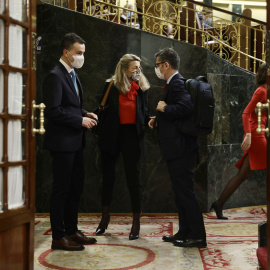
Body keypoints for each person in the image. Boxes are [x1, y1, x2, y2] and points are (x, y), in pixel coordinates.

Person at [43, 33, 98, 251]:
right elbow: (53, 111)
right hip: (62, 143)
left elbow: (70, 105)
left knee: (75, 188)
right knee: (61, 190)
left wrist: (86, 113)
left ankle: (72, 230)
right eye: (78, 53)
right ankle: (58, 236)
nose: (81, 57)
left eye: (83, 53)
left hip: (75, 142)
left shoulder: (72, 73)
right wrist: (79, 120)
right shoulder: (55, 75)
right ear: (66, 52)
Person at [148, 48, 207, 248]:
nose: (156, 69)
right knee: (181, 192)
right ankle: (185, 231)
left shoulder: (178, 83)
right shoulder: (173, 83)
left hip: (181, 149)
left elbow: (186, 107)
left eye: (157, 65)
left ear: (166, 65)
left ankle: (198, 235)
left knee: (186, 192)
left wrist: (164, 108)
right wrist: (159, 118)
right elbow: (179, 114)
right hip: (178, 148)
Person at [95, 54, 150, 240]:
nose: (138, 71)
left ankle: (136, 222)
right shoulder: (111, 86)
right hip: (111, 136)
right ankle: (104, 218)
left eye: (139, 67)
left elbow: (144, 112)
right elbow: (102, 109)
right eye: (135, 67)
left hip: (132, 137)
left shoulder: (142, 88)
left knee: (133, 178)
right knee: (108, 177)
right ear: (125, 69)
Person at [210, 62, 267, 219]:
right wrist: (248, 134)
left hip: (258, 134)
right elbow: (245, 113)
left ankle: (219, 203)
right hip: (256, 136)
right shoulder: (261, 91)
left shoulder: (266, 91)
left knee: (243, 174)